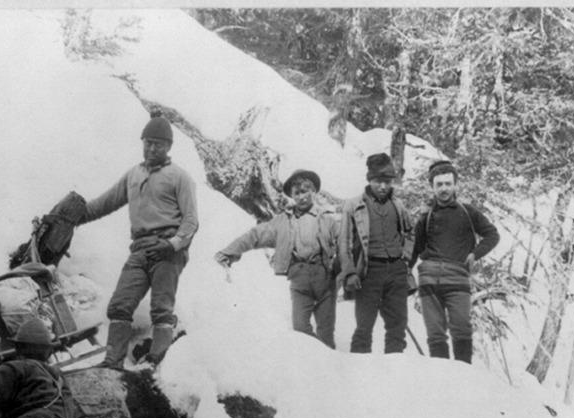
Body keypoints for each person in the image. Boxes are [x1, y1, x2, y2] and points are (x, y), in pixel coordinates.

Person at [79, 111, 199, 368]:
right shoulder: (133, 175)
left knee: (161, 309)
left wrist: (172, 245)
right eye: (148, 142)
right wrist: (75, 216)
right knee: (120, 305)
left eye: (158, 143)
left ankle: (156, 362)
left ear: (168, 147)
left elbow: (191, 222)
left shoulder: (180, 177)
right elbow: (104, 204)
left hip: (167, 249)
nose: (152, 148)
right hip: (140, 248)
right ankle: (113, 362)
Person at [214, 169, 340, 348]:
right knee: (300, 329)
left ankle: (327, 368)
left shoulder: (327, 219)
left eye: (306, 191)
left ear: (314, 191)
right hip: (299, 279)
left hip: (325, 279)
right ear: (291, 196)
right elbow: (255, 235)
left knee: (326, 331)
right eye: (297, 193)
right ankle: (314, 361)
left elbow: (345, 246)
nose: (302, 196)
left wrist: (342, 273)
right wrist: (230, 251)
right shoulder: (282, 222)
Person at [411, 160, 500, 362]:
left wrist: (474, 254)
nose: (444, 189)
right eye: (439, 184)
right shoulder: (426, 216)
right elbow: (415, 247)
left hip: (458, 278)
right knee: (435, 334)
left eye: (448, 183)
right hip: (429, 279)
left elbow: (492, 235)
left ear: (455, 185)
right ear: (432, 187)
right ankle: (442, 381)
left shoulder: (468, 212)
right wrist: (403, 272)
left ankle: (464, 378)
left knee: (461, 329)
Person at [338, 153, 415, 354]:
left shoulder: (398, 205)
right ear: (369, 179)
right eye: (378, 181)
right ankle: (360, 377)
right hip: (369, 272)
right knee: (364, 327)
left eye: (387, 182)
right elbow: (344, 242)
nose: (383, 186)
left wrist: (405, 258)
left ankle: (394, 372)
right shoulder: (353, 206)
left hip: (396, 271)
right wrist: (350, 273)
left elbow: (410, 232)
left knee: (397, 327)